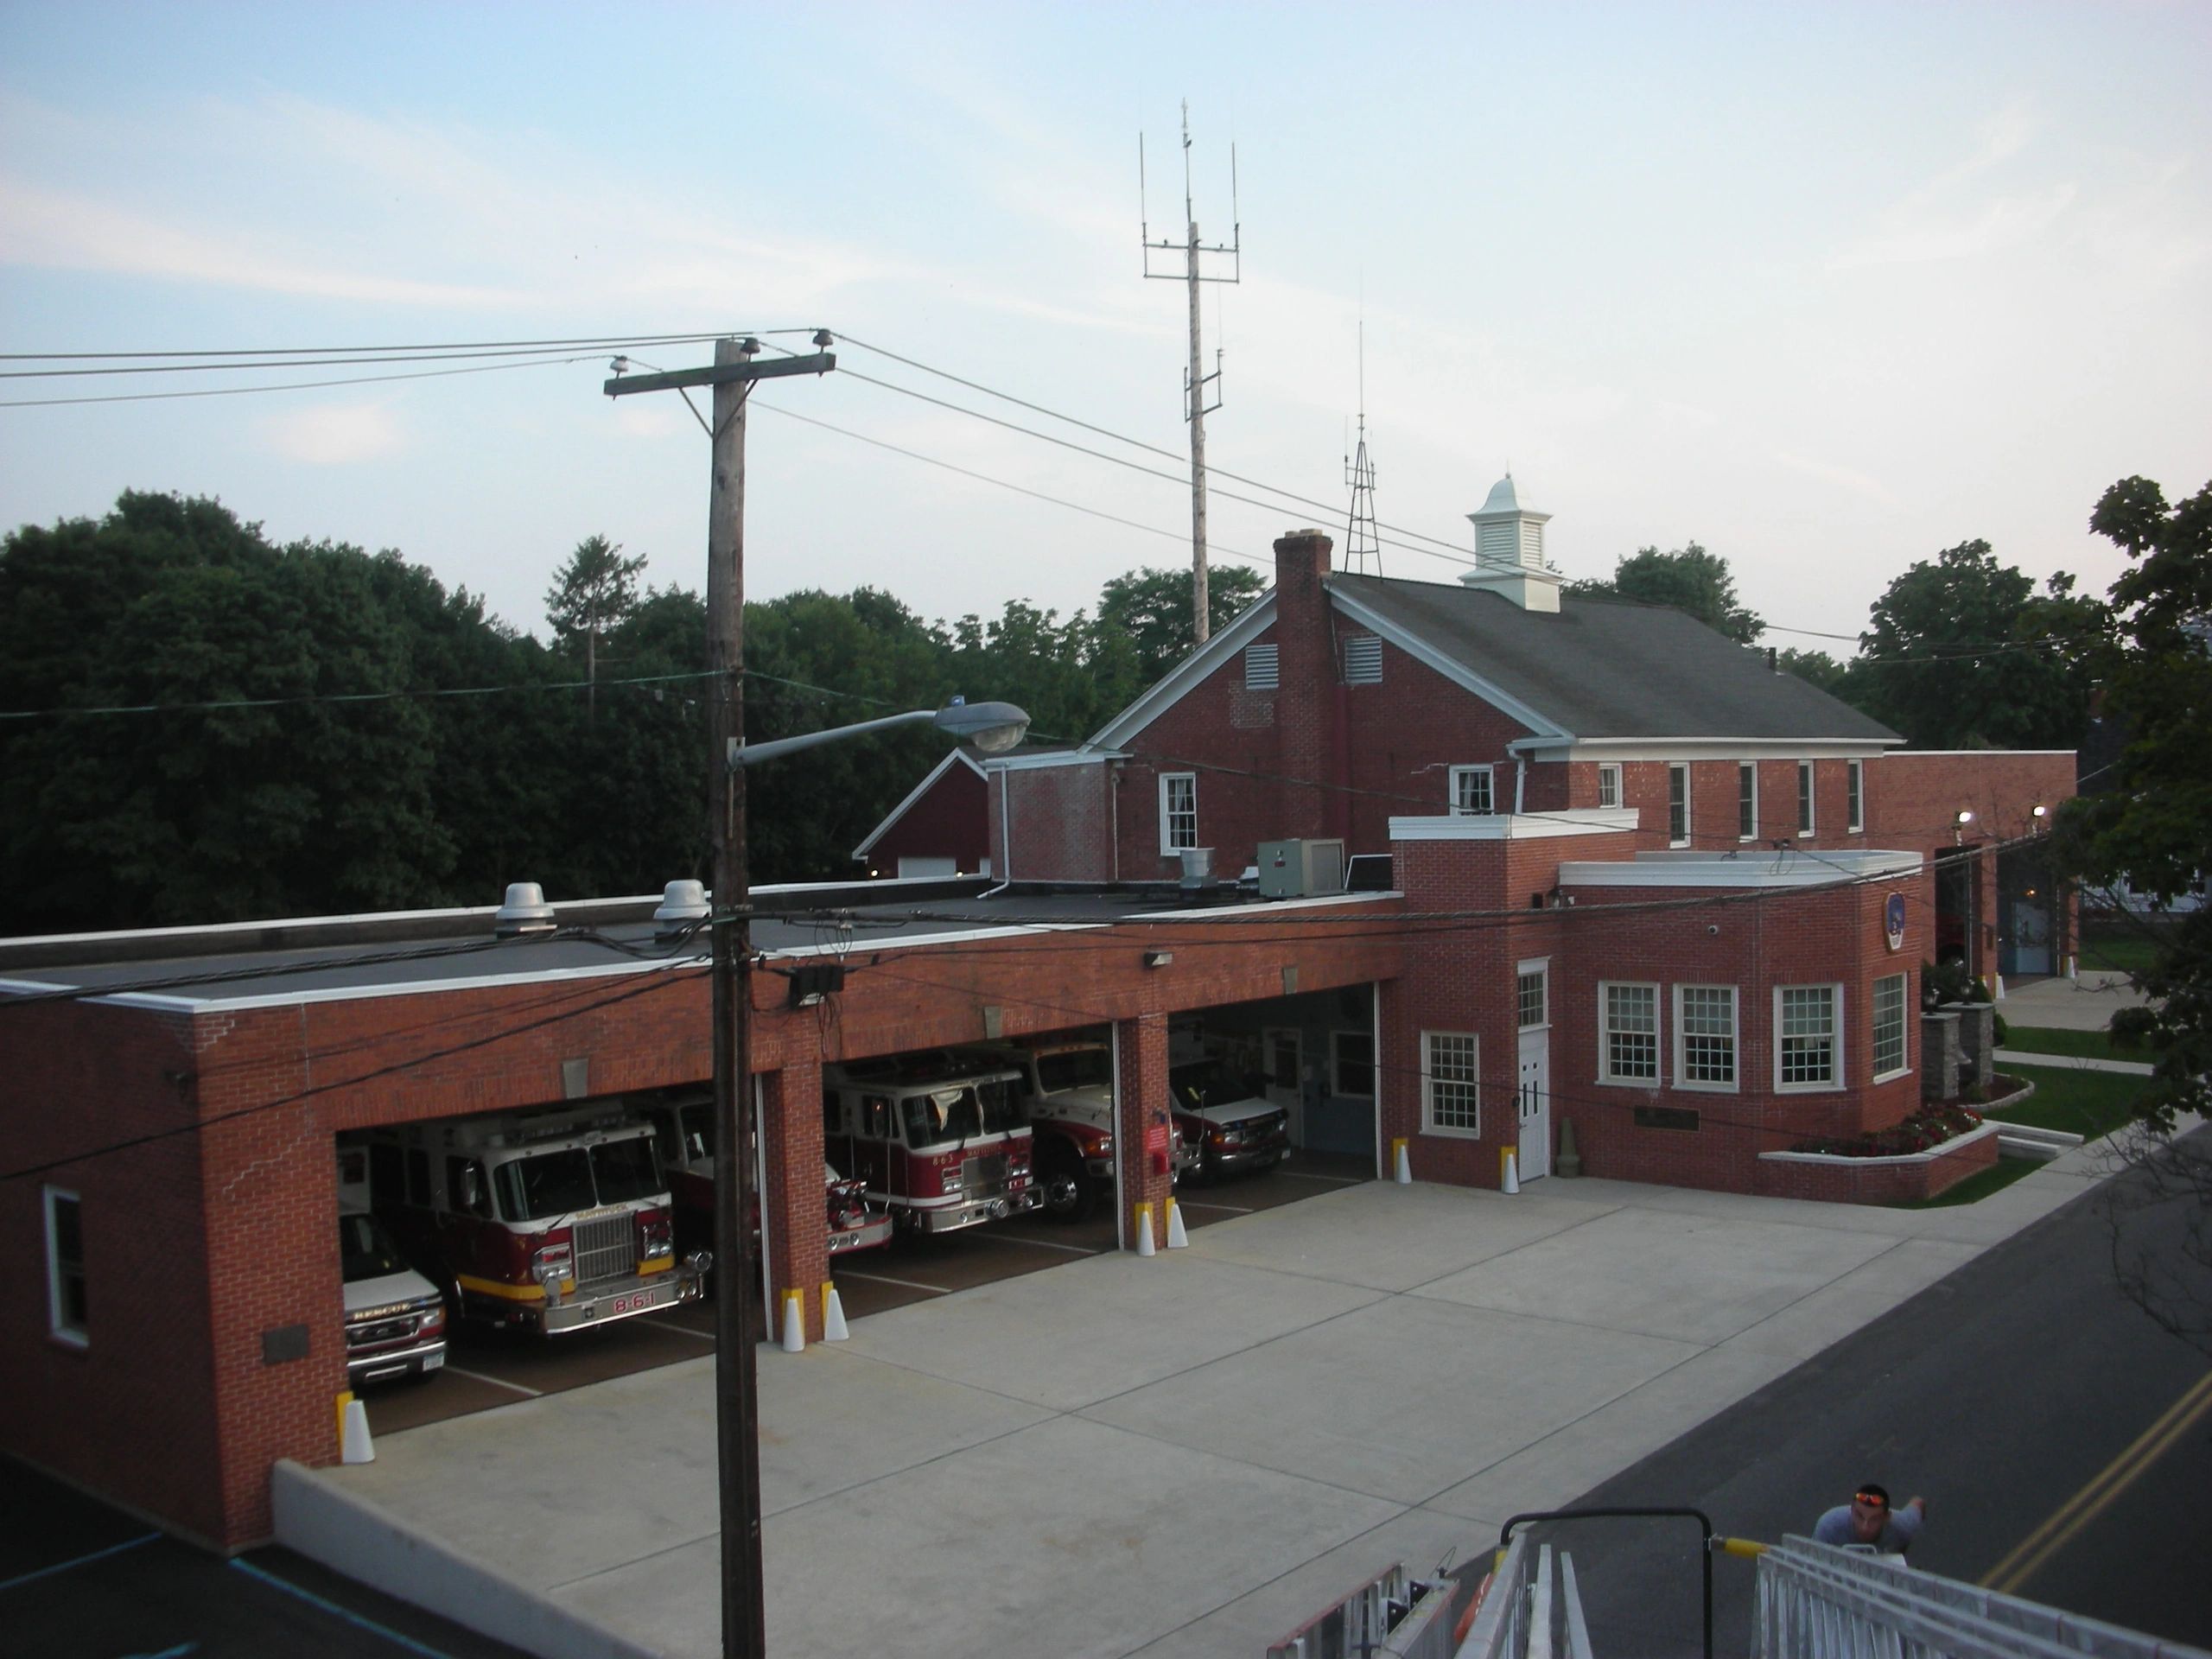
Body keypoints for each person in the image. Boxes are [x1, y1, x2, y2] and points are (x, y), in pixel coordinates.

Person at [1814, 1483, 1925, 1554]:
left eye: (1874, 1519)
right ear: (1851, 1511)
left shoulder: (1903, 1526)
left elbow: (1918, 1502)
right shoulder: (1828, 1527)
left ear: (1887, 1517)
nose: (1865, 1527)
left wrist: (1901, 1552)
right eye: (1860, 1516)